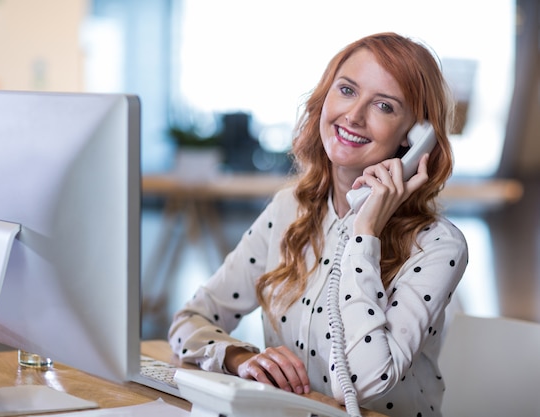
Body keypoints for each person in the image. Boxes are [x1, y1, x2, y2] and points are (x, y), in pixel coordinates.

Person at [168, 32, 468, 417]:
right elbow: (189, 319)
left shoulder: (438, 246)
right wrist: (238, 357)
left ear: (415, 140)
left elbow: (363, 384)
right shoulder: (288, 210)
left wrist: (365, 233)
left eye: (384, 106)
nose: (354, 115)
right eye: (346, 90)